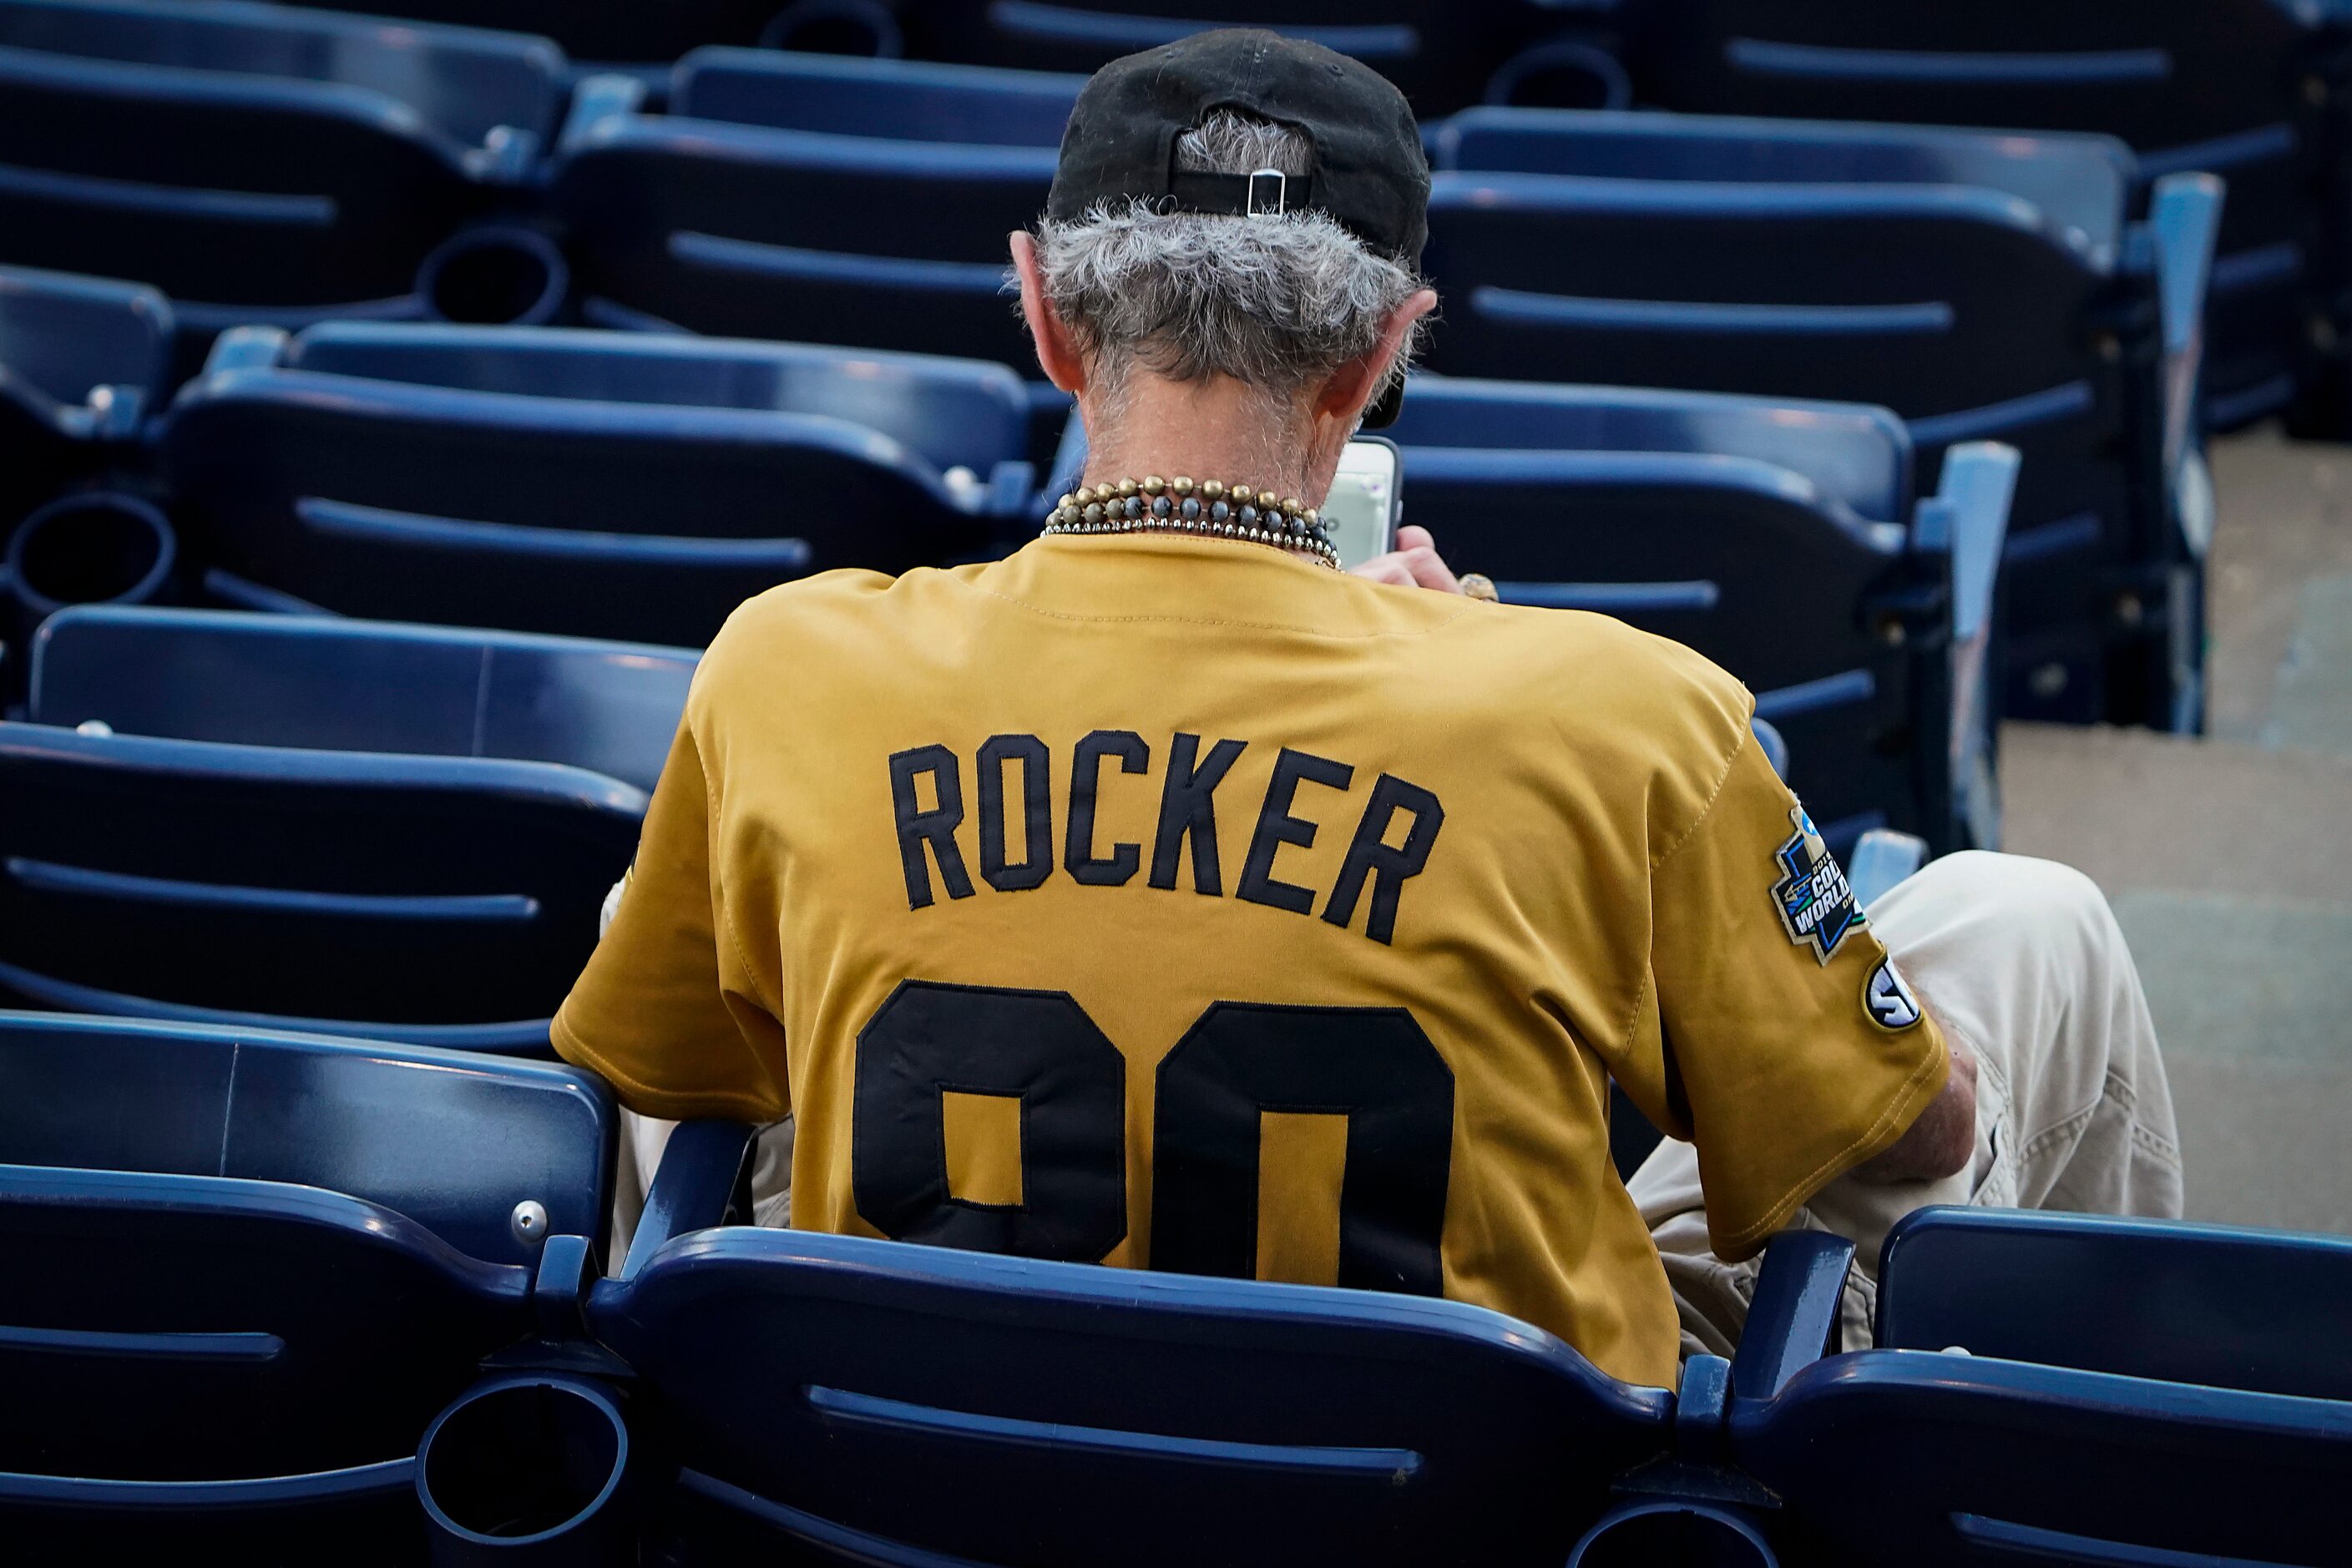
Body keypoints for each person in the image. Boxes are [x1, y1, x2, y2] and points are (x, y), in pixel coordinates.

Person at [555, 28, 2180, 1389]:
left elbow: (669, 1086)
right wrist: (1490, 718)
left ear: (1044, 315)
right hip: (1498, 1492)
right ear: (1382, 356)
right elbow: (1914, 1137)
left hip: (915, 1444)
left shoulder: (788, 665)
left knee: (681, 904)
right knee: (2018, 916)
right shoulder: (1616, 715)